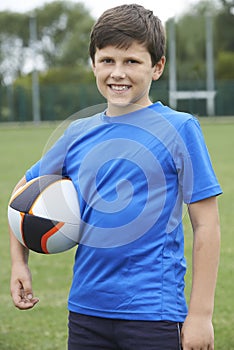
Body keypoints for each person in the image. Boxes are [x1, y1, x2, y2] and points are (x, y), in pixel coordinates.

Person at [9, 4, 222, 350]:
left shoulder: (180, 128)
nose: (117, 73)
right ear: (94, 63)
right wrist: (19, 263)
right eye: (107, 60)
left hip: (154, 312)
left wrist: (200, 314)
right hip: (85, 312)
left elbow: (206, 225)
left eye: (132, 62)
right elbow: (23, 194)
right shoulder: (79, 133)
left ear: (157, 67)